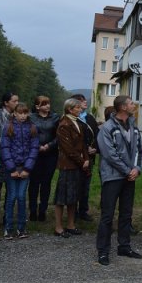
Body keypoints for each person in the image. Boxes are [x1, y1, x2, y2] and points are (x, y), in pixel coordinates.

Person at [95, 95, 142, 265]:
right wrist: (126, 170)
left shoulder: (133, 126)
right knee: (107, 215)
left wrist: (137, 169)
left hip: (129, 177)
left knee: (126, 214)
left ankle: (124, 246)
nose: (134, 106)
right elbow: (109, 155)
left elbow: (139, 150)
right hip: (113, 177)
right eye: (131, 103)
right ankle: (103, 251)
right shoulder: (107, 128)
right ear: (123, 107)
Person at [0, 103, 39, 239]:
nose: (23, 115)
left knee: (22, 197)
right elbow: (5, 149)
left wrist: (27, 168)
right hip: (11, 169)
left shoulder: (32, 128)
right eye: (20, 113)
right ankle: (8, 228)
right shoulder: (8, 127)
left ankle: (21, 228)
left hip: (25, 169)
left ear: (28, 113)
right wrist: (11, 169)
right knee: (11, 197)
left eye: (25, 113)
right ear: (15, 113)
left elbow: (34, 150)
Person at [53, 98, 88, 239]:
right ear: (70, 109)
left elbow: (82, 144)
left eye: (80, 107)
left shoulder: (78, 122)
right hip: (67, 165)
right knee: (61, 197)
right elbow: (68, 149)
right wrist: (81, 161)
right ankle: (58, 227)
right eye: (78, 108)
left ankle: (71, 225)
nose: (81, 109)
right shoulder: (64, 124)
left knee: (74, 196)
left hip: (77, 165)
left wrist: (85, 159)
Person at [29, 95, 60, 222]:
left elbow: (59, 136)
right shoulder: (30, 118)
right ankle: (32, 210)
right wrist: (37, 146)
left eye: (48, 103)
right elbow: (27, 135)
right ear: (37, 106)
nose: (48, 106)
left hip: (50, 154)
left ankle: (43, 210)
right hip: (34, 154)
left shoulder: (55, 117)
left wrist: (49, 145)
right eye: (44, 104)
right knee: (34, 183)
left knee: (46, 183)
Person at [0, 92, 19, 228]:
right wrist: (10, 142)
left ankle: (7, 216)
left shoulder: (18, 116)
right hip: (0, 156)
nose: (17, 103)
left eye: (17, 101)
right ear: (6, 102)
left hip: (13, 158)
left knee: (11, 187)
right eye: (14, 101)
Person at [71, 94, 99, 222]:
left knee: (85, 186)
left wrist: (95, 148)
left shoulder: (90, 118)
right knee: (75, 185)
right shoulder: (71, 119)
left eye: (84, 99)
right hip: (76, 158)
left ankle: (83, 211)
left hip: (90, 157)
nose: (85, 102)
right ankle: (73, 212)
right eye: (82, 101)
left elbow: (98, 135)